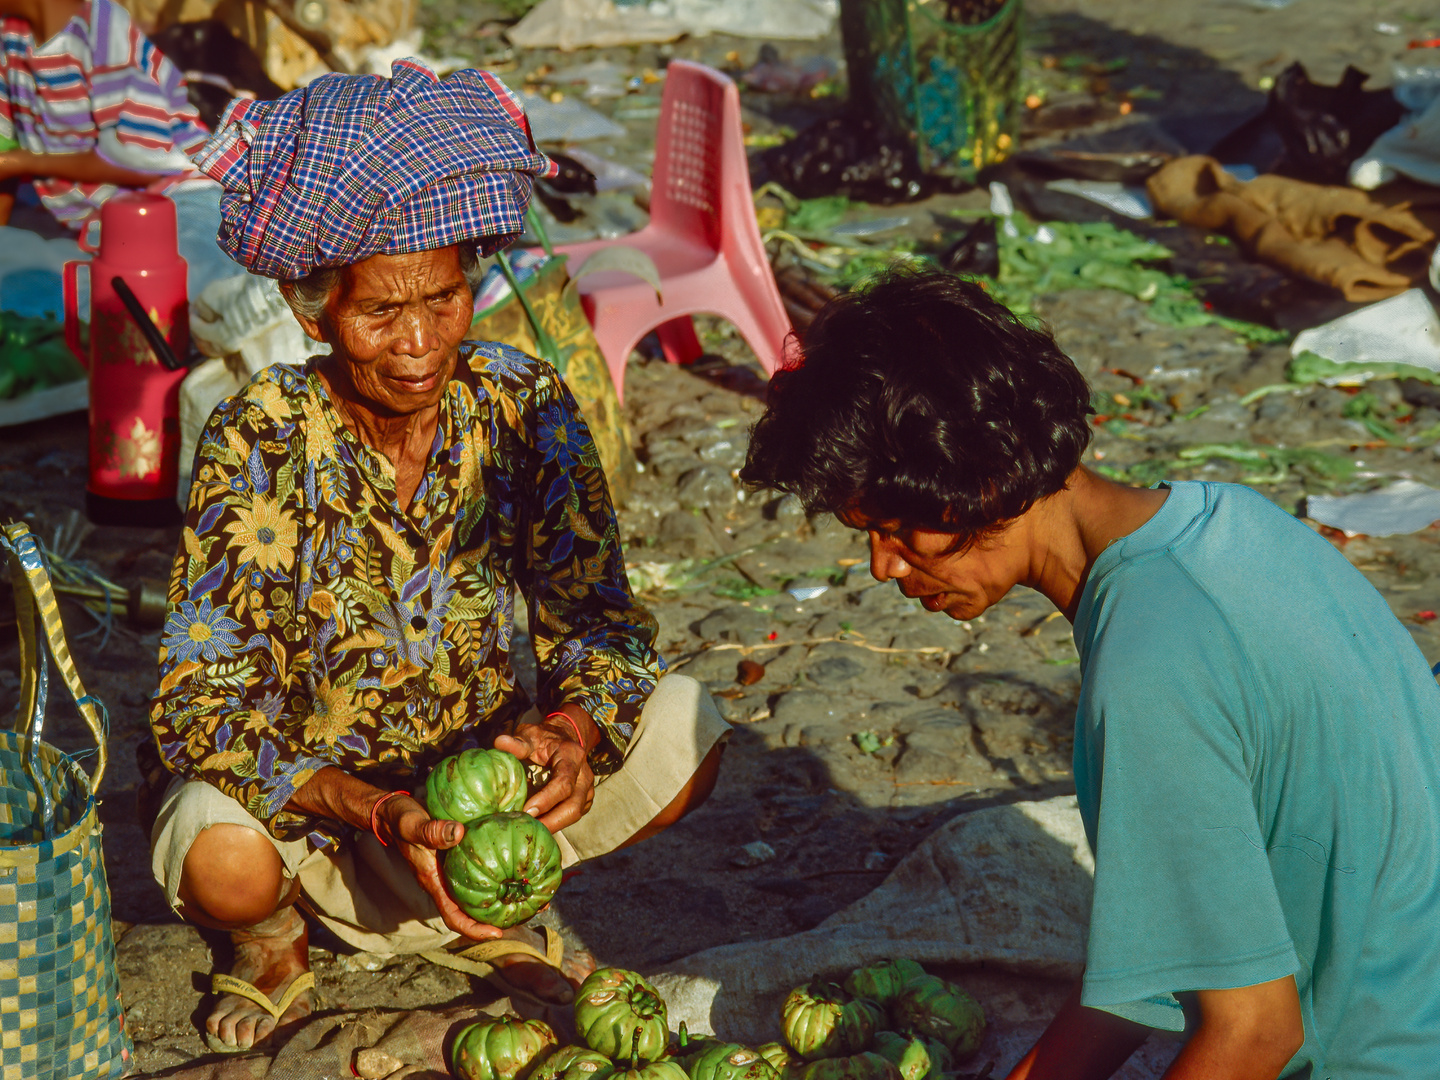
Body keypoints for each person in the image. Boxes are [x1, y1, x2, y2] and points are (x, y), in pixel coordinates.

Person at [142, 60, 727, 1055]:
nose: (420, 344)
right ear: (312, 309)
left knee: (687, 725)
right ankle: (276, 939)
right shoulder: (258, 435)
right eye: (380, 314)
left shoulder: (523, 402)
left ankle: (499, 911)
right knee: (218, 851)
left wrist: (575, 734)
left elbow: (607, 625)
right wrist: (378, 812)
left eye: (446, 301)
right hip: (328, 829)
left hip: (485, 819)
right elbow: (200, 708)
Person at [739, 268, 1440, 1080]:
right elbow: (1169, 948)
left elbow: (1254, 1034)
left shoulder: (1150, 671)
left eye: (898, 531)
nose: (883, 566)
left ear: (985, 486)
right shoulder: (1226, 521)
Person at [0, 0, 209, 229]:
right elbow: (5, 148)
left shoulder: (101, 28)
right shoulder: (9, 38)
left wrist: (27, 163)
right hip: (97, 221)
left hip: (180, 197)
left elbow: (144, 162)